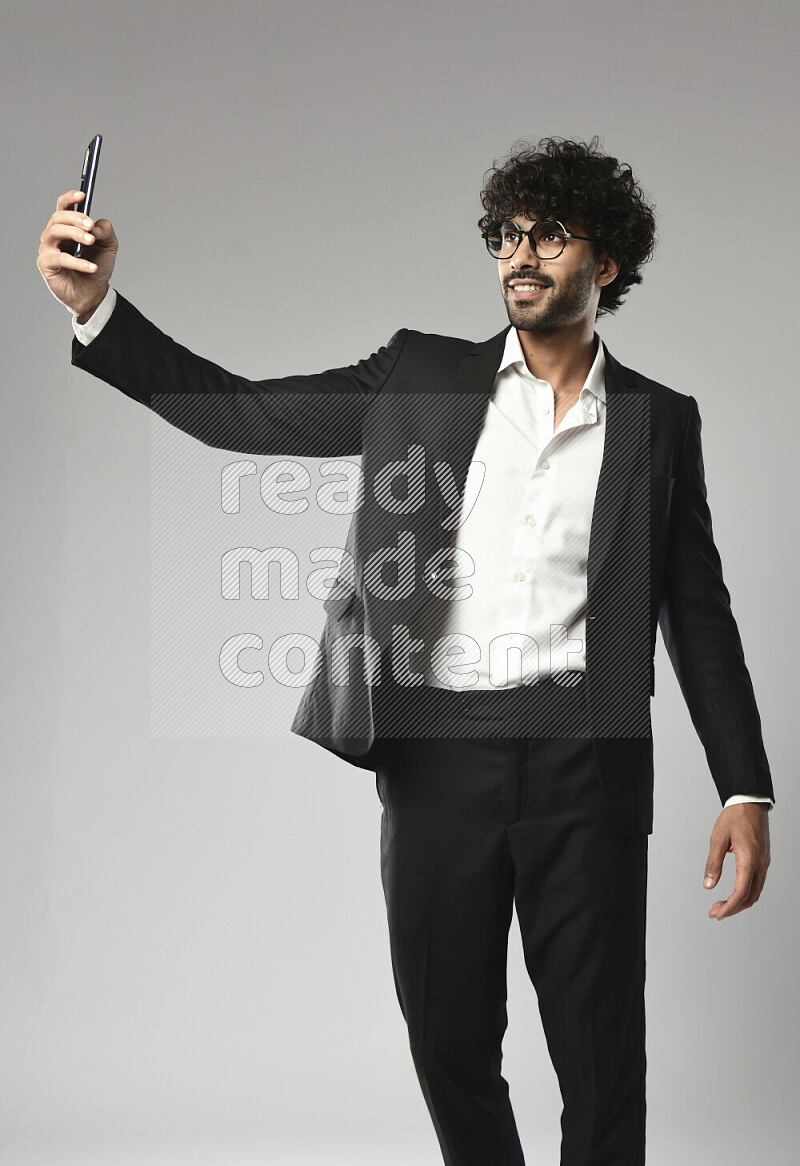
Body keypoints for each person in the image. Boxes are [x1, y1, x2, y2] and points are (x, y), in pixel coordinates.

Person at [38, 135, 774, 1166]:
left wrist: (743, 786)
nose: (519, 257)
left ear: (604, 264)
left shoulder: (660, 421)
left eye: (548, 236)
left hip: (585, 764)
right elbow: (240, 413)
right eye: (505, 237)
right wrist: (96, 311)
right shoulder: (422, 373)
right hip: (438, 758)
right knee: (447, 1043)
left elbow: (695, 612)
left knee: (604, 1059)